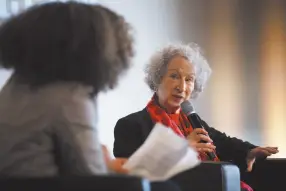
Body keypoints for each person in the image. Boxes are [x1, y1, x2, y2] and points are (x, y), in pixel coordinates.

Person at [113, 43, 279, 191]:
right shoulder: (131, 125)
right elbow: (131, 176)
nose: (182, 86)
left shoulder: (192, 121)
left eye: (189, 79)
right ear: (158, 79)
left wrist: (249, 151)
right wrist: (184, 148)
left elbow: (223, 142)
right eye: (174, 76)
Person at [0, 1, 134, 176]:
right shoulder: (69, 97)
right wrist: (111, 169)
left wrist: (106, 166)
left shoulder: (14, 88)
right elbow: (93, 180)